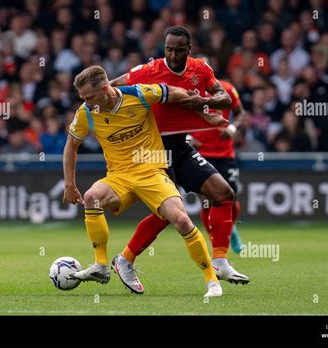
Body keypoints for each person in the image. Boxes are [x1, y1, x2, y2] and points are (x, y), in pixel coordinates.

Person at [110, 26, 249, 293]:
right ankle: (124, 260)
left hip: (181, 146)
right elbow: (114, 86)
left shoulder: (201, 70)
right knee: (169, 213)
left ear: (189, 49)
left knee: (223, 193)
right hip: (153, 150)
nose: (173, 55)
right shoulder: (148, 71)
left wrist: (200, 103)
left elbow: (224, 99)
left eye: (179, 50)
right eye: (169, 49)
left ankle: (219, 260)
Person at [63, 65, 223, 297]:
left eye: (90, 97)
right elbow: (71, 145)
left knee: (181, 220)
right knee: (91, 197)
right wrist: (69, 184)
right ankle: (101, 266)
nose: (86, 103)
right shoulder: (86, 113)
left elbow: (176, 93)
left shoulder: (138, 94)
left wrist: (203, 111)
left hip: (152, 172)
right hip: (119, 177)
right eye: (83, 98)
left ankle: (212, 281)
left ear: (106, 89)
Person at [188, 56, 246, 255]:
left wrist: (232, 128)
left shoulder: (227, 89)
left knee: (232, 198)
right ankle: (216, 240)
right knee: (206, 200)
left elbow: (240, 113)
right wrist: (187, 137)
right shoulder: (189, 92)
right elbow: (174, 119)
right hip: (199, 154)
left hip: (225, 154)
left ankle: (231, 228)